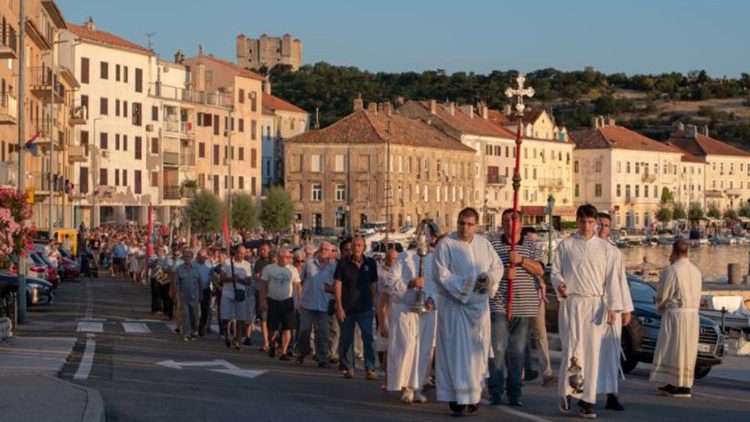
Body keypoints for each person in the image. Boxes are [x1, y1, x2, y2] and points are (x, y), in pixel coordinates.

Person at [551, 204, 625, 419]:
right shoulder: (565, 246)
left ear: (595, 223)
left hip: (595, 306)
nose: (586, 226)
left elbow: (612, 280)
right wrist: (560, 284)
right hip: (572, 304)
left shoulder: (605, 249)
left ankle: (587, 400)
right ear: (577, 221)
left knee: (592, 354)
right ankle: (567, 392)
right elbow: (555, 272)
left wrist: (613, 307)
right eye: (583, 221)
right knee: (573, 351)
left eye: (591, 222)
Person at [433, 207, 502, 416]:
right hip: (455, 307)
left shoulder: (484, 244)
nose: (465, 228)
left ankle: (474, 395)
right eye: (462, 223)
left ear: (477, 225)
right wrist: (469, 284)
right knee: (455, 353)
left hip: (478, 309)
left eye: (470, 224)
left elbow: (497, 267)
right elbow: (441, 275)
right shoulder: (446, 244)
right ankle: (456, 397)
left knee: (477, 354)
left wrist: (487, 279)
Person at [487, 210, 544, 407]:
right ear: (502, 224)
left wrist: (520, 260)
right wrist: (503, 274)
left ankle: (514, 393)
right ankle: (495, 391)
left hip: (524, 304)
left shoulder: (530, 245)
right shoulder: (493, 244)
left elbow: (540, 270)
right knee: (498, 348)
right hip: (499, 302)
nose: (510, 225)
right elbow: (485, 271)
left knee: (517, 352)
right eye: (506, 221)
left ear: (520, 223)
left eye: (514, 221)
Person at [650, 240, 702, 398]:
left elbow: (663, 294)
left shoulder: (672, 270)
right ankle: (675, 383)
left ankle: (681, 387)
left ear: (674, 251)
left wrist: (659, 304)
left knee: (674, 349)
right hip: (693, 315)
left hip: (676, 315)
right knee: (687, 350)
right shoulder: (696, 271)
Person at [596, 212, 634, 411]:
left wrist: (626, 308)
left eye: (606, 225)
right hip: (592, 307)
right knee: (590, 352)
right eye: (600, 224)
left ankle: (612, 394)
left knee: (611, 352)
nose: (603, 228)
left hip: (612, 308)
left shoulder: (614, 252)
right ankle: (584, 393)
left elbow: (621, 282)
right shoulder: (585, 248)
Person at [378, 248, 423, 404]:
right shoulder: (402, 259)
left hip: (424, 313)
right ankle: (403, 385)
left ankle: (415, 387)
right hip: (403, 311)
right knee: (404, 348)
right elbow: (391, 286)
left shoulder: (433, 259)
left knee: (421, 351)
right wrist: (410, 284)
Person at [402, 226, 440, 397]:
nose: (423, 238)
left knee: (425, 350)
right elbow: (394, 283)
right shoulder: (406, 257)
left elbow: (440, 285)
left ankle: (418, 385)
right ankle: (407, 386)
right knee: (410, 348)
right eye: (420, 234)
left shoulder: (437, 260)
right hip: (409, 309)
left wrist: (432, 299)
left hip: (429, 311)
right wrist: (410, 285)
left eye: (427, 235)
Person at [334, 236, 378, 380]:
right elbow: (338, 285)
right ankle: (349, 367)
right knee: (347, 338)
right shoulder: (342, 263)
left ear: (364, 247)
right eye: (355, 245)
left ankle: (370, 368)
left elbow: (373, 285)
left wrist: (374, 303)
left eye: (360, 245)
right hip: (347, 308)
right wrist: (339, 305)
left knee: (368, 338)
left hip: (365, 307)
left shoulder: (371, 263)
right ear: (351, 247)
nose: (357, 248)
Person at [296, 242, 337, 367]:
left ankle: (322, 358)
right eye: (321, 249)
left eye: (326, 249)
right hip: (308, 303)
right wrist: (299, 299)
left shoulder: (334, 266)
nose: (323, 251)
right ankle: (301, 353)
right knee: (304, 331)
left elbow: (337, 285)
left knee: (323, 333)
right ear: (318, 251)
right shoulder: (309, 263)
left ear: (331, 252)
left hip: (324, 305)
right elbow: (300, 281)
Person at [259, 248, 301, 360]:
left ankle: (284, 351)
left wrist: (299, 302)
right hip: (273, 300)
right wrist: (262, 300)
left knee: (288, 327)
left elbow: (297, 286)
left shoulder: (293, 270)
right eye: (286, 257)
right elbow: (262, 284)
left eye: (289, 257)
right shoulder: (269, 269)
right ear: (279, 257)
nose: (288, 259)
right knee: (272, 328)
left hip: (287, 301)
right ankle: (272, 344)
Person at [221, 246, 253, 349]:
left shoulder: (247, 265)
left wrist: (239, 280)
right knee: (226, 317)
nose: (241, 255)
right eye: (239, 253)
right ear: (235, 252)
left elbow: (248, 281)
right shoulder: (227, 262)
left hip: (240, 294)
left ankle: (237, 339)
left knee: (241, 318)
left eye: (243, 254)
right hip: (227, 294)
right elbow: (221, 278)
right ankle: (227, 336)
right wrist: (231, 278)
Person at [329, 237, 352, 365]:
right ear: (341, 251)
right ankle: (333, 353)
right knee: (335, 330)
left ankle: (347, 356)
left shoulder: (357, 265)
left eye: (351, 250)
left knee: (349, 332)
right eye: (346, 250)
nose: (349, 252)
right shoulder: (334, 266)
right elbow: (328, 286)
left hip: (351, 303)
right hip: (335, 302)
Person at [174, 248, 202, 341]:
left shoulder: (197, 268)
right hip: (184, 296)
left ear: (192, 258)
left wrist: (201, 295)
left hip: (194, 296)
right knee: (185, 315)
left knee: (194, 316)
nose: (186, 258)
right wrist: (177, 296)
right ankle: (186, 333)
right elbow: (177, 283)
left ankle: (193, 332)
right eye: (185, 257)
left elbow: (200, 283)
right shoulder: (179, 269)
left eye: (188, 257)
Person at [254, 242, 273, 351]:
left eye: (264, 250)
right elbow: (258, 276)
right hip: (262, 293)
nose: (262, 252)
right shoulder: (258, 263)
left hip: (274, 294)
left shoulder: (272, 262)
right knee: (263, 318)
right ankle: (265, 342)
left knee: (273, 319)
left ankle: (272, 340)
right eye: (261, 250)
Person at [195, 248, 215, 336]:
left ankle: (202, 327)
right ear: (198, 256)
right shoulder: (193, 265)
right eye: (202, 257)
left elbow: (213, 277)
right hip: (195, 289)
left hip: (206, 289)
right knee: (195, 310)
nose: (203, 259)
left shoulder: (209, 265)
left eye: (205, 257)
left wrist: (214, 287)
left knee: (205, 310)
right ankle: (193, 326)